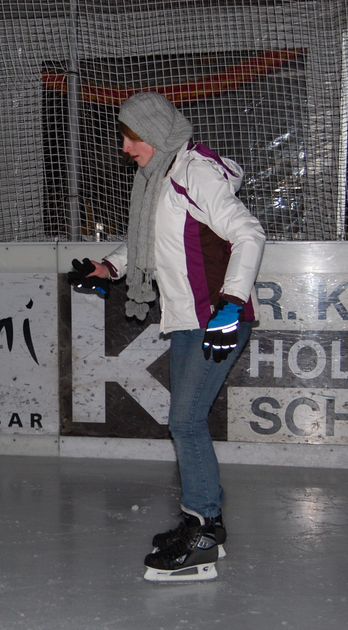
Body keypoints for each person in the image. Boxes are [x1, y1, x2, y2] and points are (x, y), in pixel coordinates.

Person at [78, 92, 265, 581]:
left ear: (156, 134)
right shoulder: (158, 176)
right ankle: (205, 521)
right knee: (186, 421)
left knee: (184, 421)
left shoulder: (193, 172)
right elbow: (150, 241)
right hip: (185, 318)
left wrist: (231, 304)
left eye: (132, 138)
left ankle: (203, 531)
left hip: (216, 318)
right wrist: (109, 267)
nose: (125, 148)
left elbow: (249, 233)